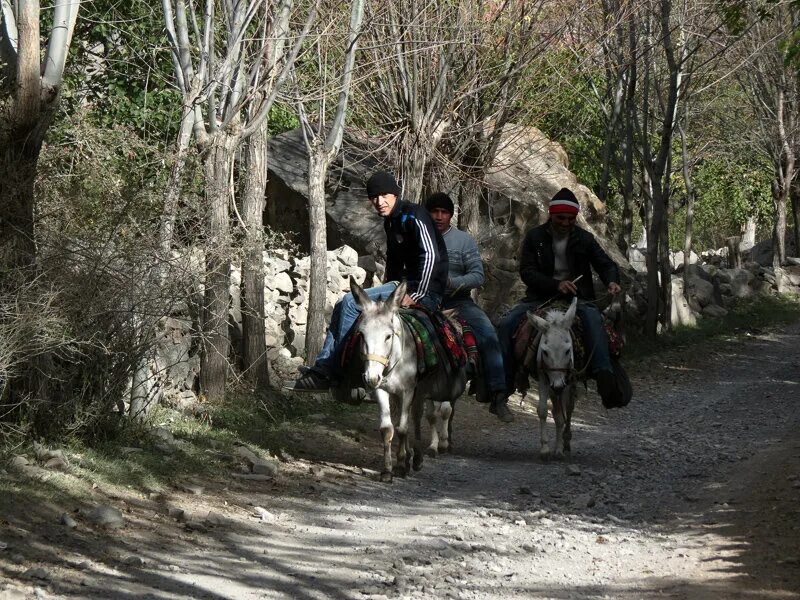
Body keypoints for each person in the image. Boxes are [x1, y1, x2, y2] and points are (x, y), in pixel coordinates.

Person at [285, 171, 448, 392]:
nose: (379, 202)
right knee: (344, 304)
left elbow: (431, 256)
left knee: (351, 303)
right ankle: (326, 369)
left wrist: (417, 295)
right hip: (400, 288)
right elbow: (394, 262)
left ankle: (335, 372)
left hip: (424, 290)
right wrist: (389, 293)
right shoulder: (391, 222)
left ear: (395, 194)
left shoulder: (414, 215)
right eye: (374, 197)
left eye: (384, 195)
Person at [497, 187, 622, 405]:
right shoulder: (534, 237)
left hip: (578, 298)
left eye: (570, 219)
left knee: (594, 321)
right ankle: (503, 384)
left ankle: (605, 377)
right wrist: (556, 285)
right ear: (550, 214)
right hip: (539, 297)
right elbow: (527, 272)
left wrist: (611, 280)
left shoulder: (585, 239)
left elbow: (605, 264)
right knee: (507, 323)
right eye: (561, 218)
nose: (565, 223)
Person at [425, 193, 513, 423]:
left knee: (488, 334)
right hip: (424, 300)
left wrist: (454, 283)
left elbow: (477, 275)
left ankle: (497, 393)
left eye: (444, 212)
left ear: (451, 216)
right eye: (435, 211)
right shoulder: (419, 236)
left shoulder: (464, 241)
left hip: (459, 301)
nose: (439, 216)